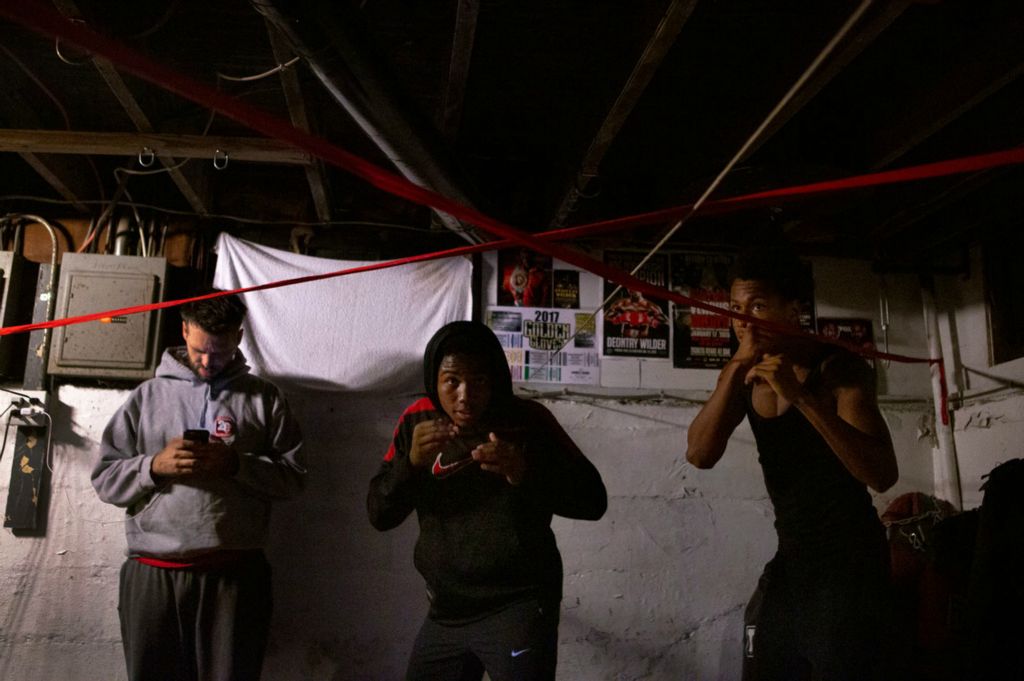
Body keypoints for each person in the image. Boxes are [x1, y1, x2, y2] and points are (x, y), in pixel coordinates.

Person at [685, 241, 898, 681]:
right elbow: (699, 454)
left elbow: (881, 474)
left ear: (793, 309)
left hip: (852, 562)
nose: (743, 320)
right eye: (735, 308)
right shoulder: (744, 374)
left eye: (758, 305)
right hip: (794, 557)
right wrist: (735, 368)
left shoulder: (838, 370)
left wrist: (800, 397)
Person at [368, 320, 607, 681]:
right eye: (452, 381)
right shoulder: (416, 422)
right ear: (434, 379)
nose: (465, 395)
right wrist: (410, 465)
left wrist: (524, 471)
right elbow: (379, 514)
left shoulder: (528, 421)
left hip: (519, 606)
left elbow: (593, 500)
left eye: (478, 380)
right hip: (447, 611)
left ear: (495, 378)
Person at [92, 292, 306, 681]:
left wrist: (237, 465)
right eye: (199, 351)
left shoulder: (264, 398)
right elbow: (105, 480)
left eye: (220, 353)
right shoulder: (146, 397)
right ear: (185, 330)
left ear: (238, 336)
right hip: (154, 573)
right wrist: (153, 467)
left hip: (235, 576)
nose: (209, 362)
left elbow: (295, 479)